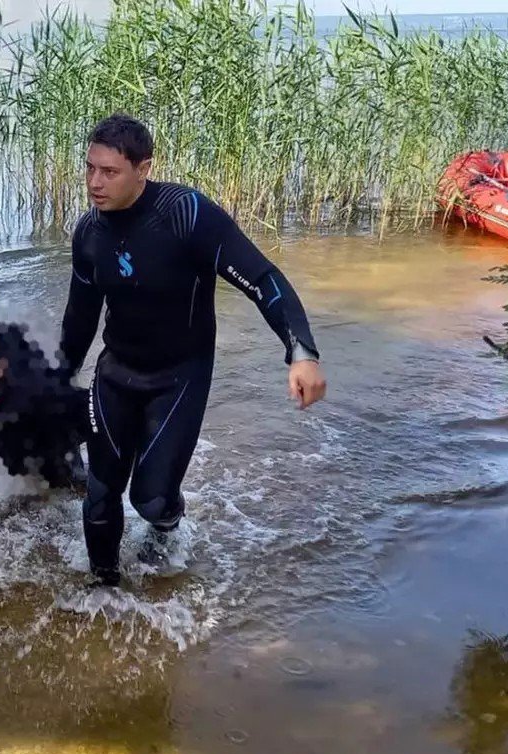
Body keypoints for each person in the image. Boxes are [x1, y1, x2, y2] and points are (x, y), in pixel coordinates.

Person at [58, 114, 328, 588]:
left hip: (178, 377)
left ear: (143, 169)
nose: (95, 183)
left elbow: (262, 279)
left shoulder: (186, 215)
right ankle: (104, 592)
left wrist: (300, 350)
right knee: (99, 495)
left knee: (150, 499)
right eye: (89, 168)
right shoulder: (89, 233)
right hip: (116, 371)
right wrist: (60, 376)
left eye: (109, 172)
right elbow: (80, 316)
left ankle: (165, 529)